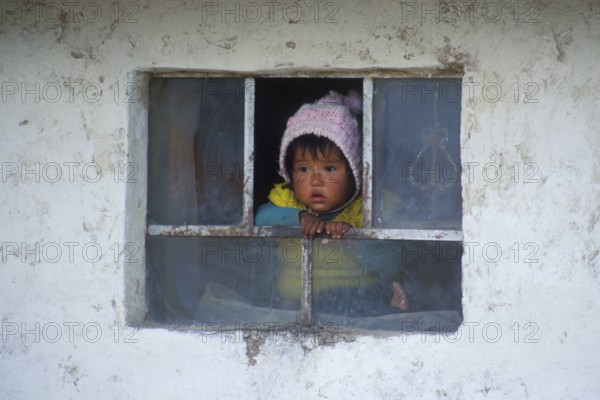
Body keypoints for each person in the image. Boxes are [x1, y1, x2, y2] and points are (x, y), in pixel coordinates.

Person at [255, 90, 409, 313]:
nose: (315, 180)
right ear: (289, 173)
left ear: (354, 173)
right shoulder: (286, 201)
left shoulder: (366, 208)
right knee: (286, 314)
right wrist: (299, 217)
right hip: (298, 301)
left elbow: (391, 260)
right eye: (303, 169)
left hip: (359, 298)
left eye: (329, 168)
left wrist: (354, 241)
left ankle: (391, 309)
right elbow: (259, 218)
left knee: (375, 310)